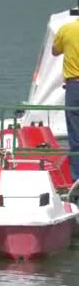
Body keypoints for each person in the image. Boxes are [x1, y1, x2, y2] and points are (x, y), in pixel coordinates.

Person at [52, 15, 79, 182]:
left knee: (75, 133)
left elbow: (55, 51)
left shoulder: (66, 29)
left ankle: (77, 178)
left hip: (74, 86)